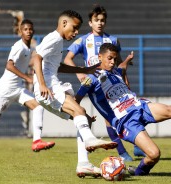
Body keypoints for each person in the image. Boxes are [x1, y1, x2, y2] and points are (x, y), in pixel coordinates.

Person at [75, 43, 171, 176]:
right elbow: (76, 101)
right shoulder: (91, 79)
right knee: (154, 154)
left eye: (115, 58)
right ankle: (140, 171)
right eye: (109, 58)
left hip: (139, 106)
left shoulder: (116, 71)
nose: (113, 62)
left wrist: (127, 60)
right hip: (125, 121)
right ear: (99, 57)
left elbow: (122, 67)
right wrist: (85, 116)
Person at [31, 10, 117, 164]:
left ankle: (83, 164)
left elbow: (58, 67)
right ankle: (90, 140)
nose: (76, 33)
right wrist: (43, 84)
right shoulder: (54, 38)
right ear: (64, 23)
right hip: (49, 87)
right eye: (75, 28)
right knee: (80, 112)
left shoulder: (57, 41)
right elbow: (36, 58)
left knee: (84, 116)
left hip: (51, 87)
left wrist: (84, 70)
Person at [64, 5, 143, 169]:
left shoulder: (112, 40)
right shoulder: (84, 40)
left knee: (130, 111)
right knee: (110, 118)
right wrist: (80, 75)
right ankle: (123, 153)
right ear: (90, 22)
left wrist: (125, 79)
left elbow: (119, 63)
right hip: (96, 86)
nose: (99, 23)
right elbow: (67, 59)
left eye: (102, 20)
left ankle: (136, 145)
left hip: (114, 84)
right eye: (96, 20)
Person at [0, 19, 55, 152]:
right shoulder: (18, 46)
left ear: (33, 31)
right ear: (20, 31)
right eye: (25, 29)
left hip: (18, 89)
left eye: (30, 29)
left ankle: (37, 141)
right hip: (6, 89)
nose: (28, 32)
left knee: (38, 107)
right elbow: (9, 65)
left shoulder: (29, 48)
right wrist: (27, 78)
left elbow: (32, 62)